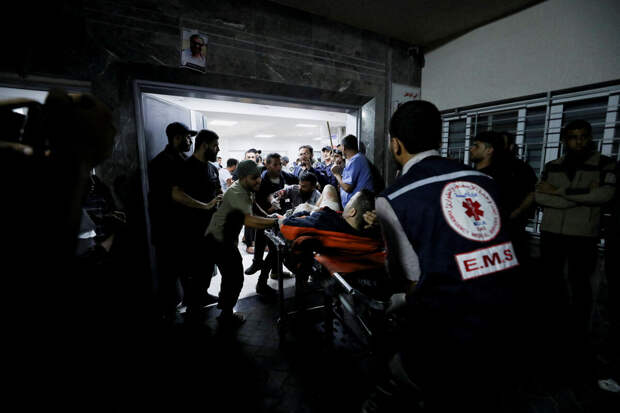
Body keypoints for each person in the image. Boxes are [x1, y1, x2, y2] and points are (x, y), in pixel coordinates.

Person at [366, 100, 524, 411]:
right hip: (507, 323)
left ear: (395, 144)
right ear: (438, 139)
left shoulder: (394, 197)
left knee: (391, 359)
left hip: (451, 337)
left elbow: (410, 282)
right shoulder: (485, 182)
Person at [535, 119, 616, 382]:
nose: (578, 141)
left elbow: (604, 196)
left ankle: (578, 339)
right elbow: (540, 196)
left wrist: (559, 193)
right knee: (551, 284)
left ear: (590, 138)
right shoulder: (553, 165)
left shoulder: (605, 164)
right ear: (565, 140)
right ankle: (552, 334)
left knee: (580, 287)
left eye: (583, 136)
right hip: (552, 234)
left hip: (583, 236)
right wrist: (579, 197)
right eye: (573, 137)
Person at [148, 122, 213, 323]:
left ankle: (196, 300)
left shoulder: (183, 160)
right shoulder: (162, 162)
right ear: (176, 138)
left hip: (186, 226)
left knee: (190, 269)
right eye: (187, 138)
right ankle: (168, 314)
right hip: (168, 227)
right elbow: (174, 195)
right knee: (169, 272)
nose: (190, 142)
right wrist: (204, 206)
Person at [205, 160, 280, 327]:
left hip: (224, 238)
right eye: (254, 178)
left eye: (259, 177)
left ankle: (224, 310)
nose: (258, 180)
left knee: (230, 276)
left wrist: (268, 217)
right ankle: (226, 315)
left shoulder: (246, 189)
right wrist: (275, 222)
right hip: (218, 239)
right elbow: (248, 220)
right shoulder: (237, 193)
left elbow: (253, 207)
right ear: (243, 177)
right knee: (235, 277)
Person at [176, 129, 223, 319]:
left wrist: (220, 198)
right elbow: (176, 194)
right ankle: (192, 307)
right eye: (215, 145)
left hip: (211, 226)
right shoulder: (186, 167)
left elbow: (217, 191)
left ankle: (202, 295)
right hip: (191, 228)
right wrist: (204, 206)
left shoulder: (212, 168)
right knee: (194, 268)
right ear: (204, 145)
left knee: (207, 266)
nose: (218, 149)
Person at [245, 153, 298, 277]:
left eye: (280, 164)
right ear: (267, 165)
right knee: (262, 236)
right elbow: (259, 199)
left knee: (276, 244)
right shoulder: (262, 179)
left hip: (277, 211)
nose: (278, 167)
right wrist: (269, 209)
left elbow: (295, 180)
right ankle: (257, 262)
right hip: (263, 211)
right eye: (275, 165)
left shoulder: (282, 175)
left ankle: (276, 271)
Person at [331, 134, 374, 207]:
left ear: (343, 147)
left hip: (358, 206)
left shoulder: (356, 160)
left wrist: (337, 174)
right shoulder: (357, 159)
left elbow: (347, 188)